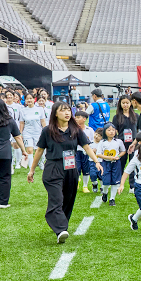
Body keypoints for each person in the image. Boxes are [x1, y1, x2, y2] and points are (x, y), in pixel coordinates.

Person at [28, 102, 103, 243]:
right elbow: (39, 151)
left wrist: (96, 162)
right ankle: (60, 229)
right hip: (53, 168)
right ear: (55, 113)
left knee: (68, 200)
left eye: (68, 110)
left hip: (71, 168)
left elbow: (86, 147)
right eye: (63, 110)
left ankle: (62, 225)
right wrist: (31, 170)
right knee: (56, 199)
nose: (67, 113)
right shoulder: (47, 130)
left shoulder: (75, 130)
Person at [113, 94, 139, 186]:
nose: (125, 105)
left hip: (133, 143)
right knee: (121, 164)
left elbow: (139, 130)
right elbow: (114, 131)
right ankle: (119, 182)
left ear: (130, 103)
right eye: (123, 103)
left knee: (133, 163)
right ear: (120, 104)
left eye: (127, 103)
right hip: (122, 143)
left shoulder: (136, 116)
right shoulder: (117, 117)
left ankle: (132, 185)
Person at [96, 123, 124, 206]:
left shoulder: (118, 141)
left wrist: (118, 156)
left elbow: (123, 151)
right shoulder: (102, 142)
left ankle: (112, 198)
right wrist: (108, 157)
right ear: (105, 132)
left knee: (115, 181)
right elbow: (98, 154)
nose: (111, 132)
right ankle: (105, 192)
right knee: (106, 181)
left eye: (113, 130)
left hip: (116, 163)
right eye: (109, 130)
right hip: (105, 163)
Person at [19, 92, 47, 170]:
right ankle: (31, 168)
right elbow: (22, 123)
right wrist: (20, 133)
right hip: (27, 132)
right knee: (29, 150)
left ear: (34, 99)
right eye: (27, 99)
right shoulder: (23, 110)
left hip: (38, 132)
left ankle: (41, 162)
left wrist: (45, 131)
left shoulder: (40, 109)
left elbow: (43, 121)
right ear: (25, 100)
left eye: (31, 98)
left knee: (38, 150)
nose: (29, 100)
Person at [73, 111, 95, 193]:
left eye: (78, 117)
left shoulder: (89, 130)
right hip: (76, 151)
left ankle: (85, 186)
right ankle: (76, 182)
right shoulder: (73, 129)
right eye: (75, 117)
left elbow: (92, 141)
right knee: (76, 168)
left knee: (86, 169)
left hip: (86, 152)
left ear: (84, 119)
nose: (76, 119)